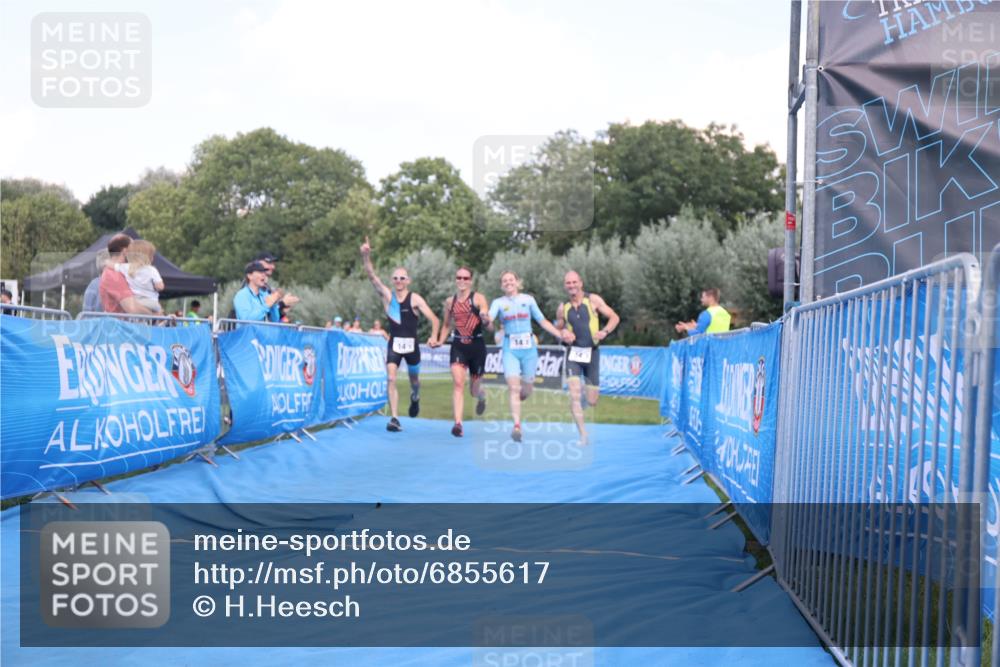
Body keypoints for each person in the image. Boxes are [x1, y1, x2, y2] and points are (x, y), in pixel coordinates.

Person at [360, 236, 440, 432]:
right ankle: (395, 418)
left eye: (402, 278)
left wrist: (434, 336)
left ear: (408, 281)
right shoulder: (388, 296)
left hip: (412, 347)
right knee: (391, 378)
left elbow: (434, 319)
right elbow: (371, 276)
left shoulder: (415, 299)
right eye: (395, 278)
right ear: (392, 281)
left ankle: (415, 396)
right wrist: (365, 256)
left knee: (415, 381)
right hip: (394, 345)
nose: (398, 281)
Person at [488, 270, 571, 442]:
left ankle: (518, 400)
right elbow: (489, 318)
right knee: (513, 388)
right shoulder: (498, 303)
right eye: (505, 281)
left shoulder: (528, 300)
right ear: (501, 285)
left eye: (511, 279)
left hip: (529, 350)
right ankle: (517, 426)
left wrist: (559, 334)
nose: (508, 282)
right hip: (510, 348)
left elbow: (542, 321)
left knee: (526, 391)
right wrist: (484, 318)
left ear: (517, 282)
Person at [554, 271, 620, 444]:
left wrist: (605, 331)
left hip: (592, 353)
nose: (571, 285)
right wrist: (564, 333)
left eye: (574, 282)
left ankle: (581, 396)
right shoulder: (563, 308)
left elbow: (614, 317)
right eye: (568, 283)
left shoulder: (593, 300)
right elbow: (558, 328)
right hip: (573, 354)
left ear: (580, 283)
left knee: (592, 400)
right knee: (574, 394)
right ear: (565, 285)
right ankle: (583, 435)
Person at [435, 266, 491, 438]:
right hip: (458, 345)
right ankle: (458, 424)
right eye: (459, 277)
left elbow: (486, 316)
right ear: (455, 279)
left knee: (474, 391)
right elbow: (446, 325)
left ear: (471, 281)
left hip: (477, 347)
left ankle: (481, 397)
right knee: (458, 384)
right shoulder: (449, 302)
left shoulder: (478, 298)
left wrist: (484, 317)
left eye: (465, 278)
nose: (462, 281)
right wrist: (440, 341)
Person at [99, 234, 154, 315]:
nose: (135, 252)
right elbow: (132, 308)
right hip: (121, 323)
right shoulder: (113, 274)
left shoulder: (122, 271)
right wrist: (155, 315)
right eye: (133, 249)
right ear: (125, 251)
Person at [116, 239, 164, 313]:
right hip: (151, 302)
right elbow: (160, 287)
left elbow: (111, 265)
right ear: (147, 257)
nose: (153, 258)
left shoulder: (124, 267)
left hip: (133, 301)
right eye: (151, 255)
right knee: (159, 310)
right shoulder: (151, 269)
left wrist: (121, 254)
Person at [254, 252, 300, 321]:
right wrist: (282, 303)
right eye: (269, 263)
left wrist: (282, 311)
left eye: (273, 264)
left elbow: (269, 317)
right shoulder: (252, 286)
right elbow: (257, 315)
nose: (273, 267)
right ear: (258, 263)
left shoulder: (266, 287)